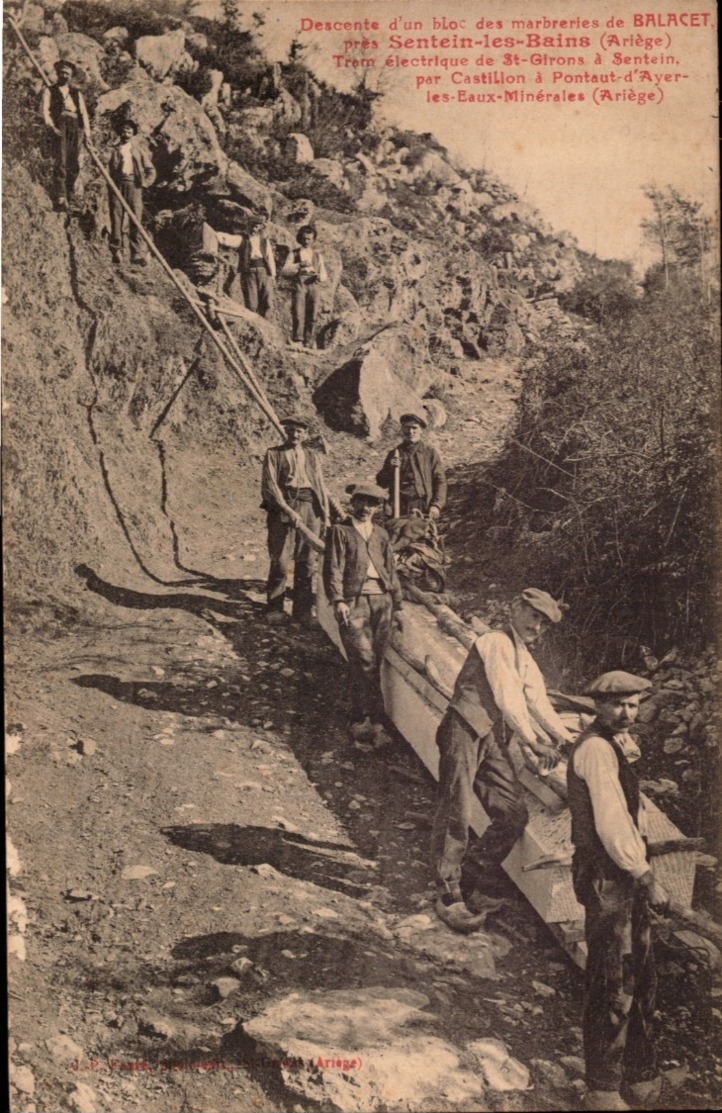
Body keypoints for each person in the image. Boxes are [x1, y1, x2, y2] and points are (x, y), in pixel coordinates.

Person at [431, 588, 574, 932]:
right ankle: (449, 892)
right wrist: (533, 741)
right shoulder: (495, 641)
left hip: (492, 737)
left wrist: (570, 741)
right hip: (464, 728)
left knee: (513, 813)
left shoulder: (524, 657)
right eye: (533, 616)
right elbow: (508, 698)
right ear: (515, 608)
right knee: (457, 810)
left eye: (543, 623)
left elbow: (539, 703)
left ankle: (475, 878)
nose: (537, 627)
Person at [567, 671, 668, 1112]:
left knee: (640, 971)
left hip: (624, 871)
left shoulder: (618, 745)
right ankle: (602, 1087)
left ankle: (642, 1076)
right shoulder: (594, 749)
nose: (626, 713)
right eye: (617, 705)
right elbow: (610, 821)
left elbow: (631, 811)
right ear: (597, 706)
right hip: (607, 875)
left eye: (633, 704)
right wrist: (644, 873)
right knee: (612, 979)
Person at [323, 483, 404, 746]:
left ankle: (368, 721)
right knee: (363, 660)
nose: (366, 509)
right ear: (353, 503)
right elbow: (333, 568)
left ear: (378, 508)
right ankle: (366, 720)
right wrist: (338, 600)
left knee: (374, 663)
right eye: (362, 503)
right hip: (354, 602)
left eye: (373, 504)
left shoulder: (380, 533)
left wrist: (398, 605)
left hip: (382, 602)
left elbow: (391, 570)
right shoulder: (340, 532)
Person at [261, 416, 330, 625]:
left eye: (299, 431)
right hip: (282, 507)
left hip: (310, 507)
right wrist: (287, 510)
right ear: (285, 432)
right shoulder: (273, 454)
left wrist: (325, 514)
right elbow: (270, 486)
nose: (295, 434)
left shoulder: (311, 456)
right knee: (280, 560)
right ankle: (275, 609)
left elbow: (320, 485)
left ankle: (303, 612)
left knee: (307, 562)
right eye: (291, 430)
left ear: (305, 434)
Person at [41, 59, 91, 212]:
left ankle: (69, 194)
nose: (64, 75)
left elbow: (84, 114)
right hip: (60, 126)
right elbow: (45, 111)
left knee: (73, 164)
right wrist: (52, 127)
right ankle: (60, 196)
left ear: (71, 76)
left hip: (75, 127)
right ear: (57, 74)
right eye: (61, 72)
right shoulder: (49, 90)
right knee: (61, 161)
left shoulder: (76, 93)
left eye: (67, 73)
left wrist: (87, 135)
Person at [376, 412, 447, 519]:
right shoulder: (394, 453)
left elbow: (440, 480)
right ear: (402, 430)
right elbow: (381, 483)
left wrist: (436, 505)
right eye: (407, 428)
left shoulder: (429, 452)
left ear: (421, 430)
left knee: (422, 534)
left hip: (423, 504)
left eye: (414, 428)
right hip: (399, 505)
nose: (410, 432)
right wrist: (389, 469)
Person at [107, 118, 156, 267]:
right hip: (117, 185)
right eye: (123, 130)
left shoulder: (138, 150)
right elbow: (105, 162)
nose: (125, 132)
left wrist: (145, 184)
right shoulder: (114, 149)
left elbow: (151, 170)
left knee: (135, 218)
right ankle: (116, 250)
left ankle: (136, 253)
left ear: (133, 133)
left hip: (134, 185)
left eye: (128, 130)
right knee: (116, 216)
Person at [215, 213, 276, 317]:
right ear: (248, 225)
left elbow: (270, 258)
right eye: (252, 225)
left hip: (264, 272)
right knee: (251, 304)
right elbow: (226, 239)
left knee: (267, 302)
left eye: (257, 226)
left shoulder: (265, 241)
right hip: (248, 272)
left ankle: (266, 327)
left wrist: (273, 275)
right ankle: (254, 325)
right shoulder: (242, 239)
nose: (254, 228)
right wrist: (214, 234)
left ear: (260, 227)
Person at [281, 225, 327, 349]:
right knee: (298, 312)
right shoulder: (294, 253)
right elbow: (285, 270)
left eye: (309, 239)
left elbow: (324, 273)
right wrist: (299, 265)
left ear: (313, 240)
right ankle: (298, 339)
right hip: (300, 283)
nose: (307, 241)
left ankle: (309, 341)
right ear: (300, 239)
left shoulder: (317, 255)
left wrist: (320, 277)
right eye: (304, 238)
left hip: (314, 284)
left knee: (312, 313)